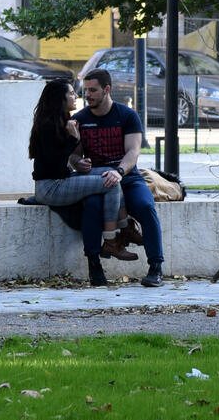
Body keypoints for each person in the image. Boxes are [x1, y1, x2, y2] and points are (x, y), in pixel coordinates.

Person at [29, 79, 138, 287]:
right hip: (51, 187)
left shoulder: (61, 120)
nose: (75, 97)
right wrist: (72, 138)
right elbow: (53, 163)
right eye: (71, 94)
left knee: (111, 174)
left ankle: (117, 236)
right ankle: (114, 236)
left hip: (60, 180)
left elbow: (62, 162)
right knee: (111, 182)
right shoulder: (48, 125)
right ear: (59, 100)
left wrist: (80, 163)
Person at [71, 68, 165, 287]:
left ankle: (156, 267)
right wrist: (78, 163)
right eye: (86, 91)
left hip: (127, 177)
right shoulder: (80, 119)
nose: (88, 95)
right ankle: (94, 267)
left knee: (146, 207)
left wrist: (119, 172)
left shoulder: (127, 116)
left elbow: (133, 152)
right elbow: (74, 156)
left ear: (107, 89)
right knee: (92, 207)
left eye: (93, 90)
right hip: (96, 181)